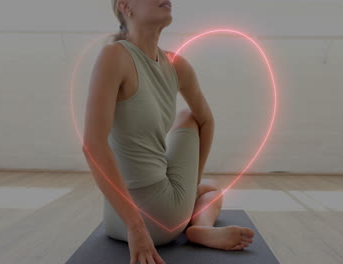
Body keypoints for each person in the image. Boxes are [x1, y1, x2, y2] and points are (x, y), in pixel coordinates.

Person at [82, 1, 255, 263]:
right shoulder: (119, 56)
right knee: (188, 116)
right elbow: (205, 121)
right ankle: (199, 223)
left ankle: (199, 223)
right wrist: (139, 226)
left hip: (116, 220)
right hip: (157, 220)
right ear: (125, 6)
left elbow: (94, 144)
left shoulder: (159, 63)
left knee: (211, 191)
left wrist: (134, 225)